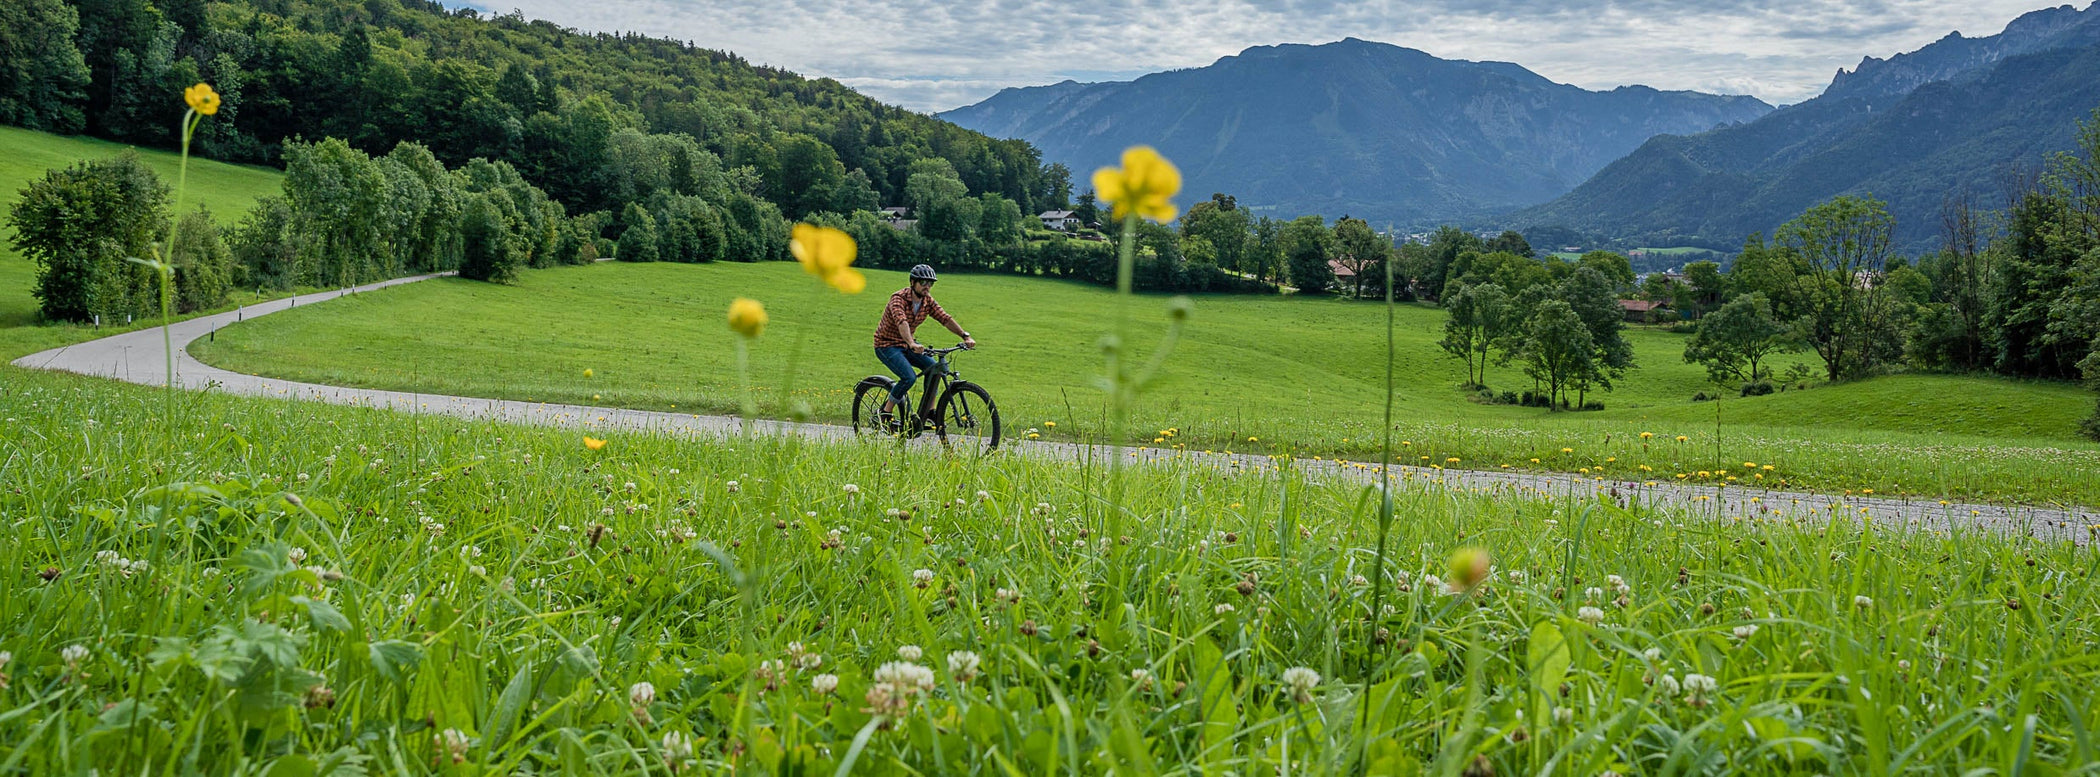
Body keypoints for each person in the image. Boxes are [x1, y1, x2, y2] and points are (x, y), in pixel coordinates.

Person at [873, 264, 976, 429]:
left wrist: (965, 336)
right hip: (886, 345)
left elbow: (945, 318)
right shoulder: (898, 298)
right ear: (912, 282)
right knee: (909, 377)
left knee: (934, 369)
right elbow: (902, 322)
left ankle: (929, 411)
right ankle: (885, 412)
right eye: (923, 282)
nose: (927, 286)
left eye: (930, 283)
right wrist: (911, 343)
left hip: (907, 345)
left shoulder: (927, 301)